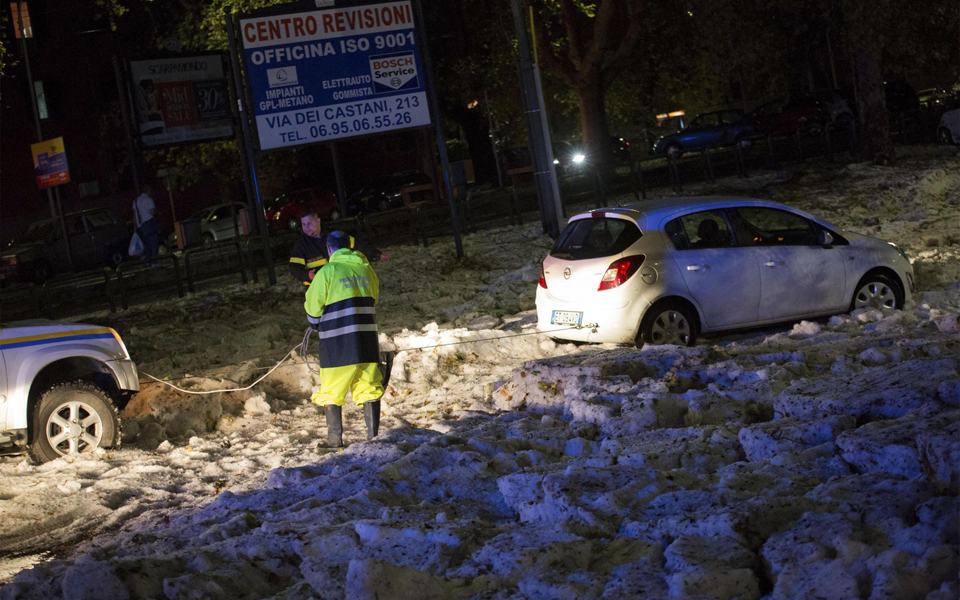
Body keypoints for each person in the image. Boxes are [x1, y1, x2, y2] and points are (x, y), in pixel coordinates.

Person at [305, 231, 384, 447]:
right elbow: (375, 297)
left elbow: (313, 306)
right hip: (366, 338)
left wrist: (314, 323)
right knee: (369, 385)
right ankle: (373, 437)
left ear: (329, 250)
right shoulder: (366, 269)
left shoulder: (327, 271)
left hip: (337, 342)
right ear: (349, 247)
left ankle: (334, 441)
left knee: (331, 390)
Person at [288, 210, 389, 286]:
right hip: (317, 288)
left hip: (339, 285)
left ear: (318, 221)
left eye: (309, 223)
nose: (306, 227)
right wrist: (306, 275)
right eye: (303, 224)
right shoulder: (301, 246)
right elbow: (294, 267)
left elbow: (358, 246)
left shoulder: (334, 236)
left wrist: (377, 254)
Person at [133, 185, 160, 267]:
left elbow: (134, 215)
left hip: (141, 226)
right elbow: (153, 212)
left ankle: (147, 261)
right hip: (149, 223)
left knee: (147, 244)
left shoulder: (136, 201)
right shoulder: (148, 199)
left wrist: (135, 227)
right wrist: (158, 212)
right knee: (154, 243)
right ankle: (154, 263)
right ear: (148, 191)